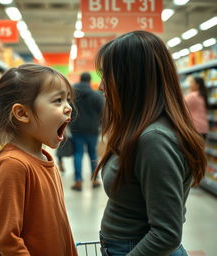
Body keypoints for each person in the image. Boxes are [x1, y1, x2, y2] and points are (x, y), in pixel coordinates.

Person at [93, 31, 206, 256]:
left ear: (131, 79)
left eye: (107, 76)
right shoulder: (139, 129)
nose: (101, 86)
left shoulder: (154, 139)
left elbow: (167, 234)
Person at [0, 64, 78, 256]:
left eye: (68, 100)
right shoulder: (13, 165)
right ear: (22, 113)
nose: (68, 108)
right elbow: (8, 241)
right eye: (58, 100)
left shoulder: (44, 158)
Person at [69, 72, 104, 191]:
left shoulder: (73, 96)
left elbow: (67, 109)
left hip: (76, 129)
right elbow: (103, 113)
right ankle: (95, 179)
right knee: (92, 154)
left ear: (80, 79)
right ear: (89, 81)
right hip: (92, 129)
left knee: (78, 154)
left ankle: (78, 180)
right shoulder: (96, 96)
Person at [185, 75, 209, 140]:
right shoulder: (203, 95)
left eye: (192, 82)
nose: (190, 85)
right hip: (204, 128)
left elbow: (180, 105)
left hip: (195, 128)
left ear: (197, 85)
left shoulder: (192, 96)